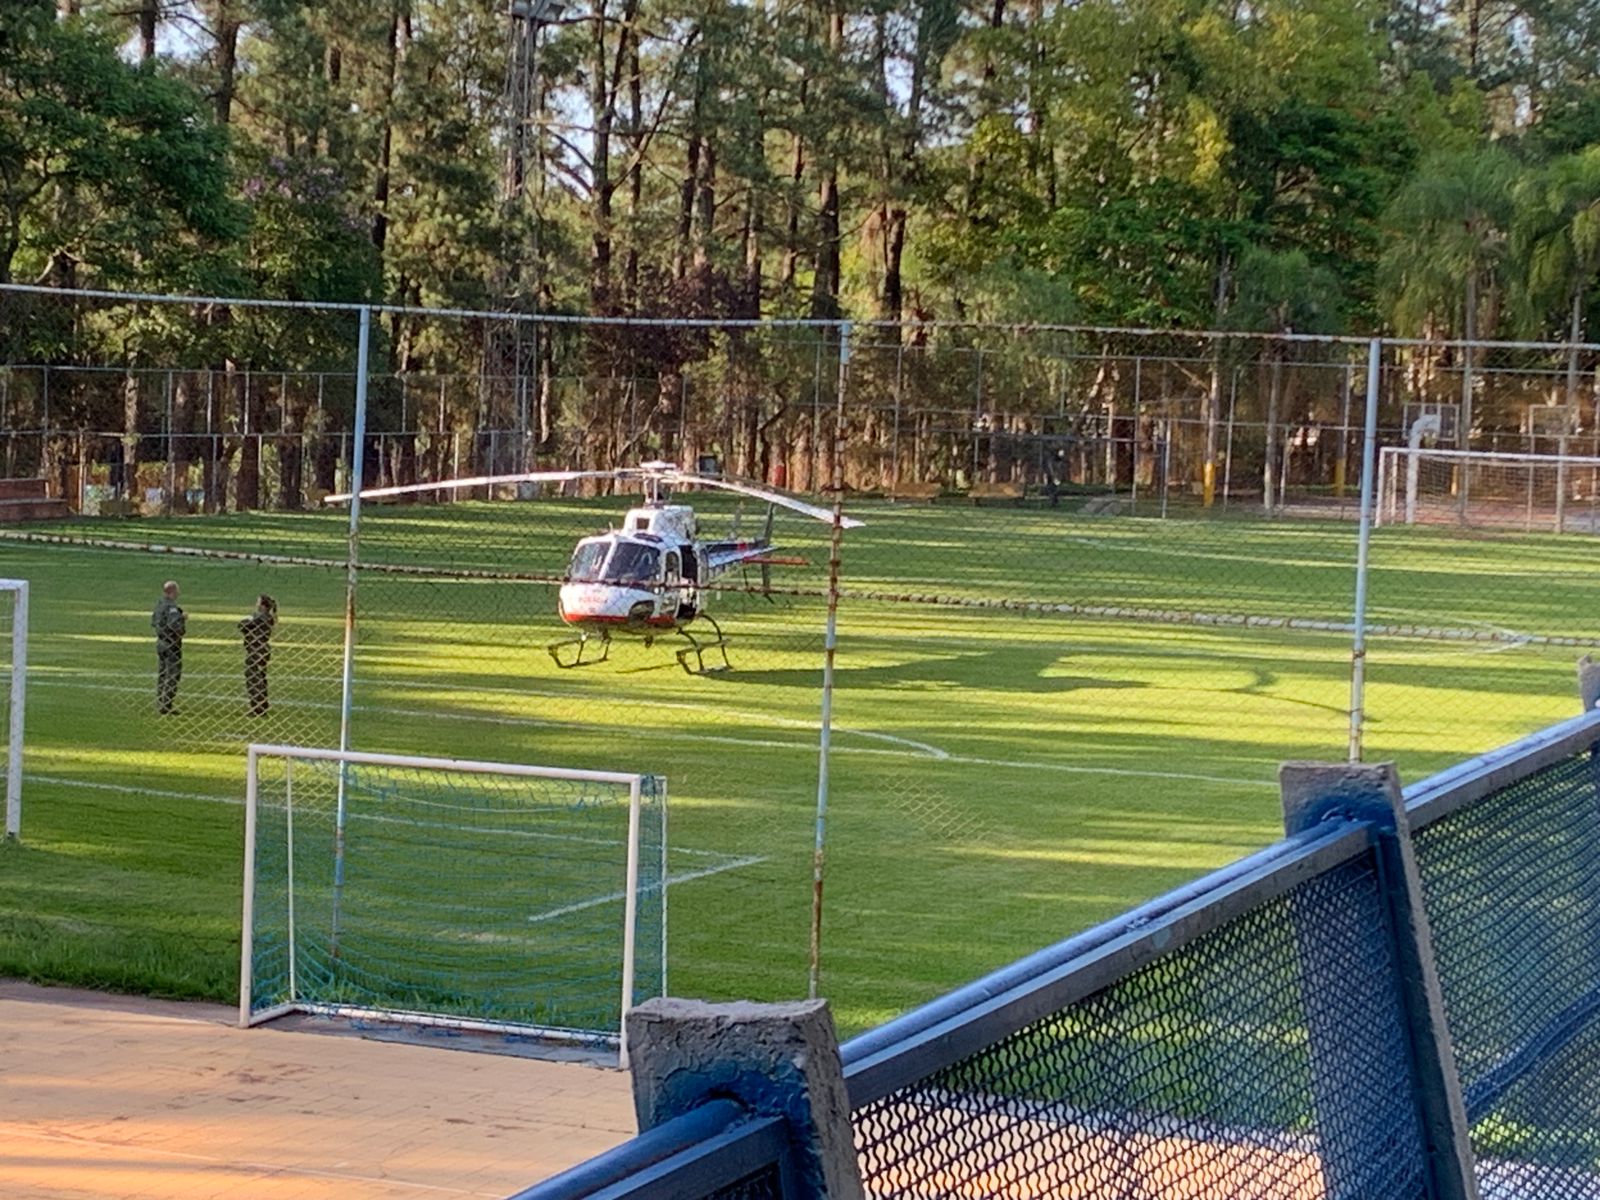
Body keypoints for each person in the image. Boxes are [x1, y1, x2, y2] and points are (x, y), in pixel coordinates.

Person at [238, 594, 277, 717]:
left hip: (256, 650)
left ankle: (257, 706)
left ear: (262, 605)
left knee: (254, 678)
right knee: (260, 676)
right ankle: (262, 704)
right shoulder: (265, 618)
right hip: (260, 650)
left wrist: (248, 621)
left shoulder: (261, 617)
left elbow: (243, 625)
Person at [151, 580, 186, 714]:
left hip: (160, 642)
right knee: (172, 674)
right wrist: (182, 619)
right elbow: (174, 624)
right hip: (172, 644)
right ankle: (166, 704)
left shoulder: (159, 605)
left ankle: (160, 701)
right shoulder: (171, 607)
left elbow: (154, 622)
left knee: (162, 673)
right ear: (172, 591)